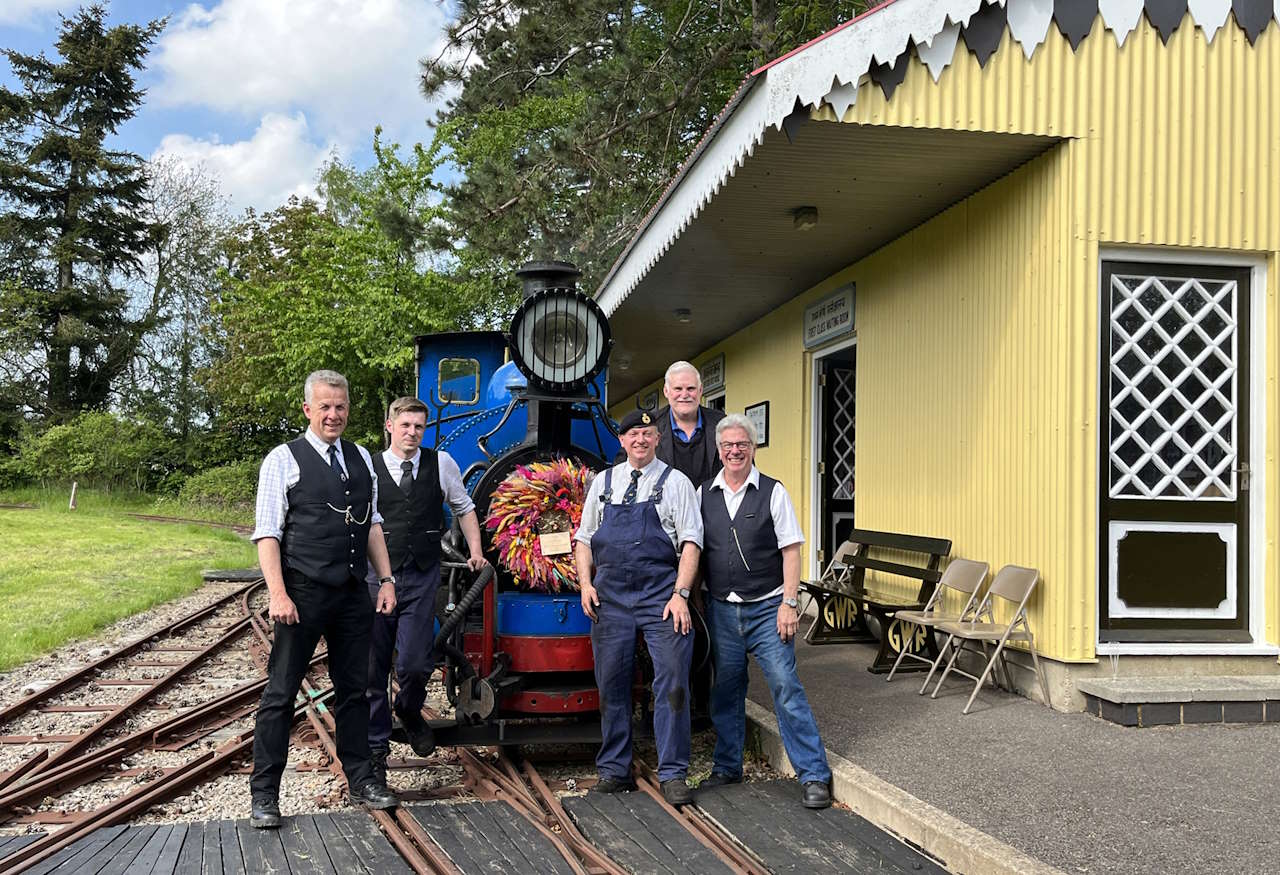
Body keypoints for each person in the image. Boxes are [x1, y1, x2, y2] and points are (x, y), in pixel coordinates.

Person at [248, 370, 400, 829]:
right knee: (281, 693)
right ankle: (264, 794)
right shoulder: (283, 459)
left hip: (353, 593)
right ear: (307, 409)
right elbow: (267, 532)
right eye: (325, 406)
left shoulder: (360, 459)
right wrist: (277, 593)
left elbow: (372, 523)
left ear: (348, 409)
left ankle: (362, 779)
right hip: (302, 594)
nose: (333, 414)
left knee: (355, 691)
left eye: (341, 406)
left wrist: (387, 579)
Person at [697, 413, 832, 809]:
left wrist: (791, 604)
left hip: (769, 608)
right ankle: (727, 766)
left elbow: (791, 549)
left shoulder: (773, 492)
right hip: (722, 610)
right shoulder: (705, 492)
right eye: (728, 445)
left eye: (742, 444)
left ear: (753, 449)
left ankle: (813, 774)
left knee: (785, 688)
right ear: (719, 451)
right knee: (725, 691)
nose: (735, 451)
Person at [574, 408, 703, 806]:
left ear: (657, 438)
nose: (640, 441)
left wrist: (681, 594)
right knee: (611, 682)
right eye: (633, 435)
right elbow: (584, 539)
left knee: (673, 681)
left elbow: (691, 543)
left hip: (660, 596)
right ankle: (615, 769)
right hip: (610, 598)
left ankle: (673, 772)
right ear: (622, 441)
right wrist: (585, 585)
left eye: (647, 434)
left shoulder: (676, 483)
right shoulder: (603, 484)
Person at [366, 396, 489, 783]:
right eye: (404, 425)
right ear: (389, 426)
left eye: (418, 426)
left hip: (421, 575)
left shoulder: (442, 464)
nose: (412, 433)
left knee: (416, 664)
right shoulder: (367, 467)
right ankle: (374, 751)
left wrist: (475, 551)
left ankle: (408, 708)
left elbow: (464, 506)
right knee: (373, 669)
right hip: (375, 578)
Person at [655, 360, 726, 489]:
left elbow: (743, 468)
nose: (685, 395)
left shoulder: (722, 424)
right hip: (665, 507)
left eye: (691, 388)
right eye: (678, 389)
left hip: (712, 506)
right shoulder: (650, 427)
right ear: (666, 391)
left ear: (700, 390)